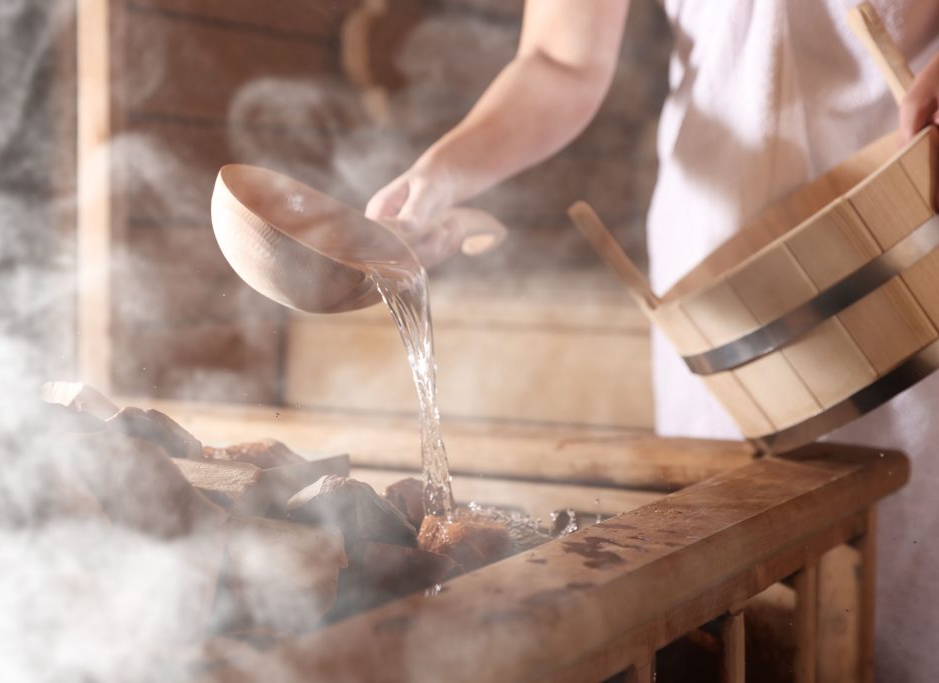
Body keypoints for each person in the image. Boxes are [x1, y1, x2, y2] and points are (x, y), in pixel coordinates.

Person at [366, 1, 939, 679]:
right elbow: (560, 58)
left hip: (906, 231)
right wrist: (441, 176)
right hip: (715, 289)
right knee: (731, 611)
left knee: (906, 610)